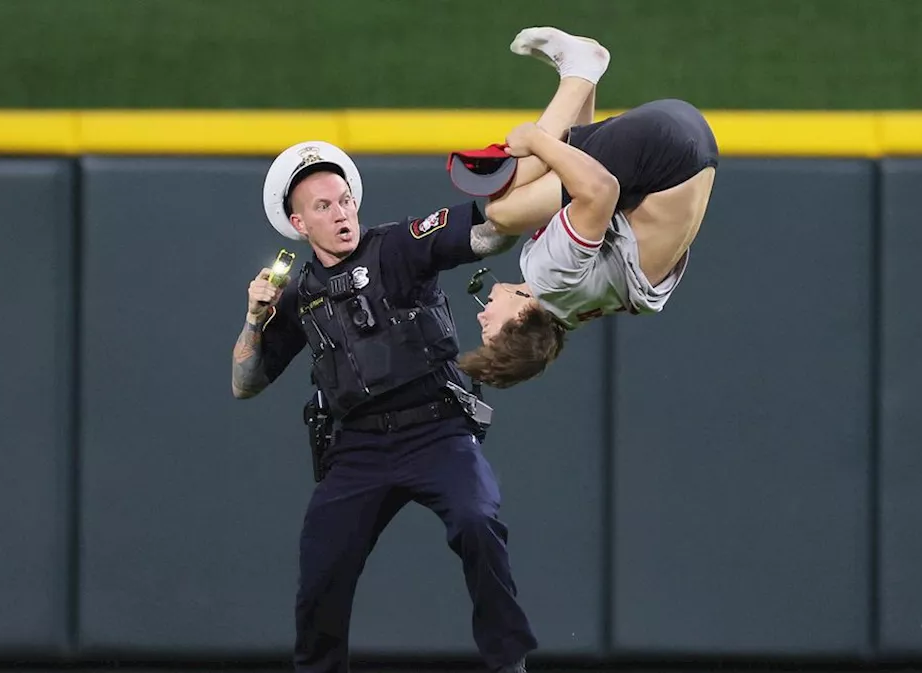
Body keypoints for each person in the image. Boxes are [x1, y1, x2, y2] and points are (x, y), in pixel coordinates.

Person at [231, 140, 534, 673]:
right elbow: (245, 384)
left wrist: (512, 193)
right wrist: (256, 319)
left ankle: (509, 663)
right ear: (299, 224)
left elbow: (490, 236)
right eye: (324, 207)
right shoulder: (299, 294)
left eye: (345, 200)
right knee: (321, 569)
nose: (341, 213)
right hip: (358, 450)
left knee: (477, 521)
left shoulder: (397, 246)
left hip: (436, 431)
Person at [449, 27, 720, 389]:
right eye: (490, 331)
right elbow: (601, 190)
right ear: (523, 315)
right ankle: (581, 69)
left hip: (692, 147)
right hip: (664, 150)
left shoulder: (573, 308)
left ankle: (581, 76)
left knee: (555, 176)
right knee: (504, 209)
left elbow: (585, 180)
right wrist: (534, 139)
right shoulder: (550, 278)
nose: (482, 316)